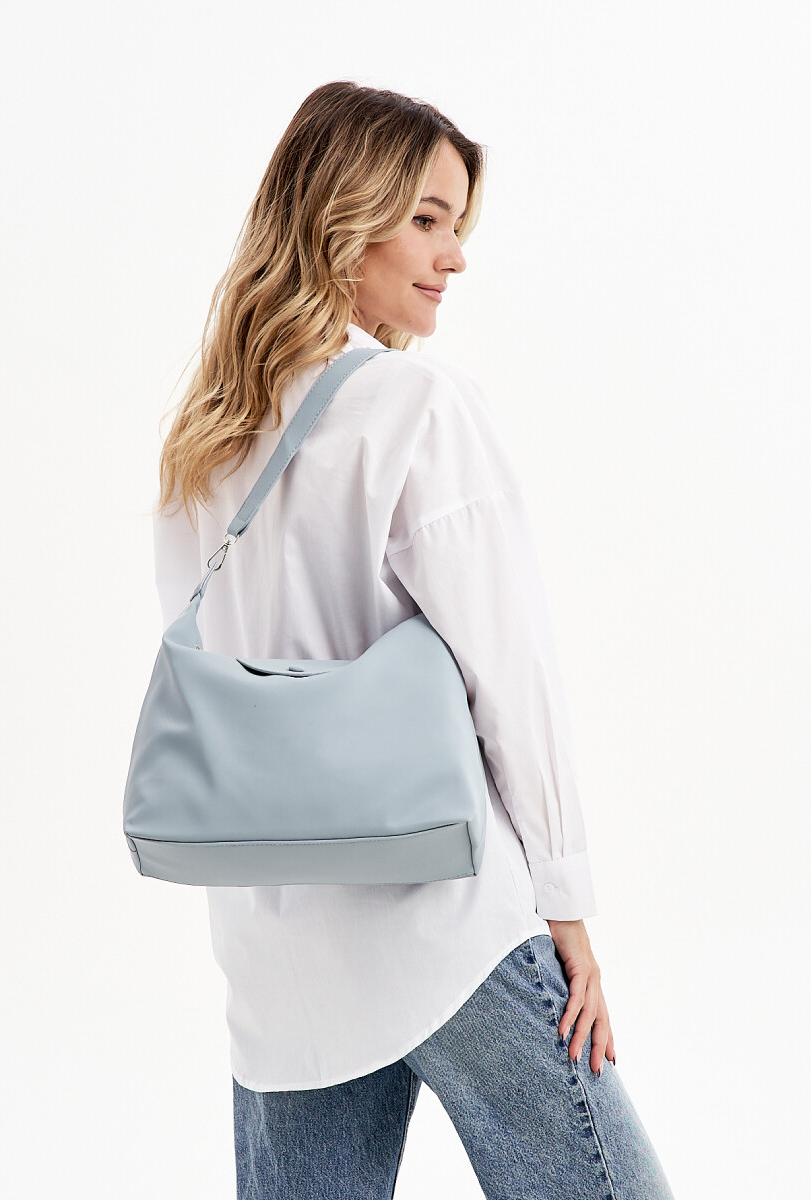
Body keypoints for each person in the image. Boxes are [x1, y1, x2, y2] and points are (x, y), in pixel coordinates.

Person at [150, 80, 676, 1200]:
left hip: (277, 964)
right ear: (343, 218)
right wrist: (567, 908)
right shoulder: (414, 405)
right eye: (428, 219)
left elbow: (212, 676)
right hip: (444, 920)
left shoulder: (205, 439)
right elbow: (511, 675)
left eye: (458, 224)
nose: (455, 256)